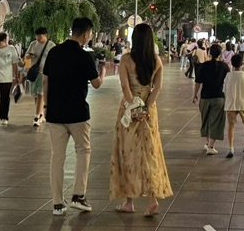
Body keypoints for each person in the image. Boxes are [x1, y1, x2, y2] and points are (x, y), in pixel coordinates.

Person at [44, 17, 105, 215]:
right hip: (78, 113)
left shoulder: (54, 52)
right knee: (83, 151)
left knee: (57, 157)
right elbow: (96, 84)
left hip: (55, 113)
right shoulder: (84, 56)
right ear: (86, 34)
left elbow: (46, 81)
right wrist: (103, 72)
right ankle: (79, 195)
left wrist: (46, 106)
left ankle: (57, 203)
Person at [111, 22, 173, 216]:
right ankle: (152, 198)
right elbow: (157, 88)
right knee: (149, 152)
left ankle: (128, 201)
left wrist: (134, 107)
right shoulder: (156, 61)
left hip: (129, 110)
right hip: (149, 110)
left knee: (127, 151)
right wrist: (146, 107)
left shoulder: (127, 60)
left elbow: (125, 87)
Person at [192, 42, 228, 155]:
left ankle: (208, 144)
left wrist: (195, 94)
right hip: (219, 97)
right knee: (216, 121)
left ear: (209, 53)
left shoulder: (204, 66)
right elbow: (228, 81)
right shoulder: (224, 66)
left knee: (206, 120)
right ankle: (211, 146)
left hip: (205, 97)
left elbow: (198, 82)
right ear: (220, 54)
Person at [224, 52, 244, 158]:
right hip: (243, 103)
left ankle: (231, 148)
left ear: (231, 64)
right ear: (242, 64)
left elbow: (225, 89)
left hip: (231, 103)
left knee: (231, 125)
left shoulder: (228, 75)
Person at [23, 27, 53, 128]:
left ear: (45, 35)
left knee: (40, 94)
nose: (38, 38)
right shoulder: (33, 44)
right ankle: (41, 114)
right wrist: (27, 67)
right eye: (37, 36)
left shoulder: (51, 45)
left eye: (40, 36)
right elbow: (27, 57)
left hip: (45, 74)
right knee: (36, 95)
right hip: (34, 73)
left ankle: (36, 117)